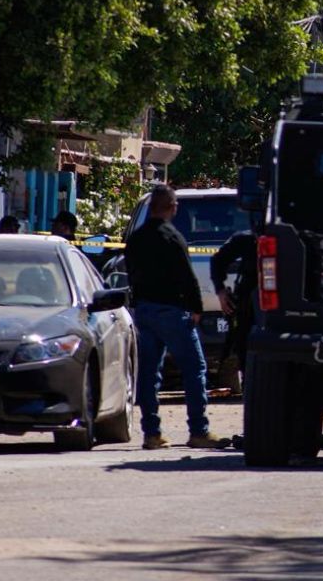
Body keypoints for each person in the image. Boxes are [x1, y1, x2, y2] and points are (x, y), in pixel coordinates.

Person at [123, 185, 230, 450]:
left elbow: (130, 272)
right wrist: (196, 308)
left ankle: (152, 434)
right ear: (172, 207)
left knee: (149, 374)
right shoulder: (172, 237)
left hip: (145, 311)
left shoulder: (136, 239)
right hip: (172, 312)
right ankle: (198, 431)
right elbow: (187, 276)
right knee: (195, 369)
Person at [209, 226, 257, 377]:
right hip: (248, 303)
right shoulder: (248, 239)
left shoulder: (296, 239)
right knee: (243, 345)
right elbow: (218, 260)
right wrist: (220, 291)